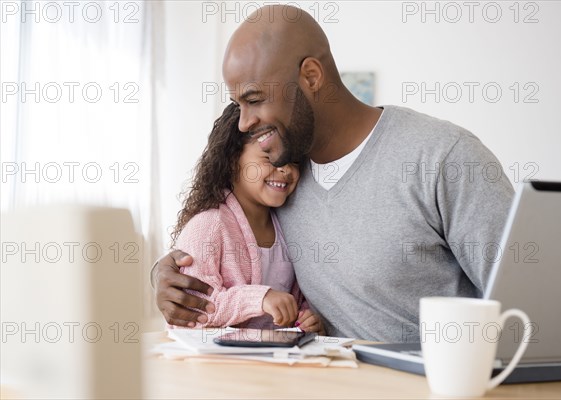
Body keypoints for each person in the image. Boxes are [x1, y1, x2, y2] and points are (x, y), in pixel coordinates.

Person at [153, 5, 514, 342]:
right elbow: (227, 237)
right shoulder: (284, 182)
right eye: (238, 106)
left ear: (311, 76)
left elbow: (530, 304)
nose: (245, 122)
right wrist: (164, 274)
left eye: (255, 98)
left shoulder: (443, 157)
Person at [168, 103, 322, 332]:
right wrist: (259, 299)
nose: (286, 170)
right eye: (270, 158)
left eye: (295, 161)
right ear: (232, 160)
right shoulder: (207, 226)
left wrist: (306, 318)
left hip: (271, 360)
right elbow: (194, 310)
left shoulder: (289, 226)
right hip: (215, 363)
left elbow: (294, 299)